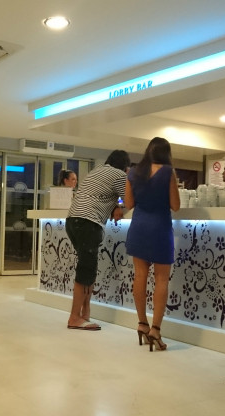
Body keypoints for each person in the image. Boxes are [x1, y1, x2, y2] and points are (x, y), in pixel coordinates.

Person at [124, 137, 180, 351]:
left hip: (139, 227)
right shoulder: (168, 172)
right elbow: (176, 205)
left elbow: (129, 203)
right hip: (160, 229)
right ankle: (155, 330)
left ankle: (142, 324)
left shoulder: (133, 172)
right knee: (161, 279)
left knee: (140, 276)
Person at [65, 150, 131, 330]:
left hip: (72, 221)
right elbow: (131, 200)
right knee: (86, 269)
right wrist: (120, 206)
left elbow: (102, 194)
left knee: (88, 268)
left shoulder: (97, 170)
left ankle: (84, 313)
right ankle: (74, 317)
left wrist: (115, 205)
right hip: (88, 222)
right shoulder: (119, 175)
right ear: (125, 167)